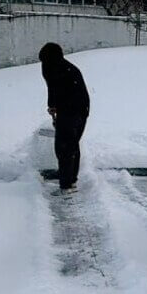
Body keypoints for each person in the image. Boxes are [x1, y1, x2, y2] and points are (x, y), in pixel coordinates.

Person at [39, 43, 90, 195]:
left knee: (64, 147)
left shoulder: (57, 69)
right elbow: (53, 89)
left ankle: (66, 185)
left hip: (72, 111)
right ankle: (70, 179)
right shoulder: (65, 67)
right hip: (80, 109)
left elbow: (54, 88)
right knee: (71, 145)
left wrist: (55, 106)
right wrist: (53, 105)